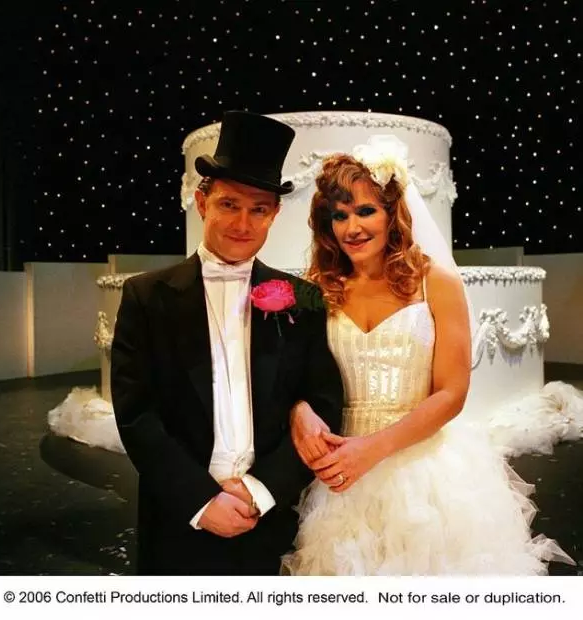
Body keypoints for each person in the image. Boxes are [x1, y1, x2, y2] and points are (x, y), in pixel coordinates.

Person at [281, 137, 575, 575]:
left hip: (424, 471)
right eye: (339, 216)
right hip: (341, 469)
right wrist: (300, 410)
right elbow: (297, 375)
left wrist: (372, 450)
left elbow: (452, 393)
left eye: (366, 211)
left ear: (392, 212)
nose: (352, 228)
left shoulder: (435, 282)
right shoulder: (321, 288)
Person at [109, 110, 343, 575]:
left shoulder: (303, 299)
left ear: (275, 214)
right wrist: (200, 500)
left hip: (273, 518)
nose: (243, 222)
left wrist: (261, 490)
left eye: (259, 209)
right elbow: (137, 414)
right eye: (229, 204)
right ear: (202, 202)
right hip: (179, 517)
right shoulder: (146, 296)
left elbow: (323, 404)